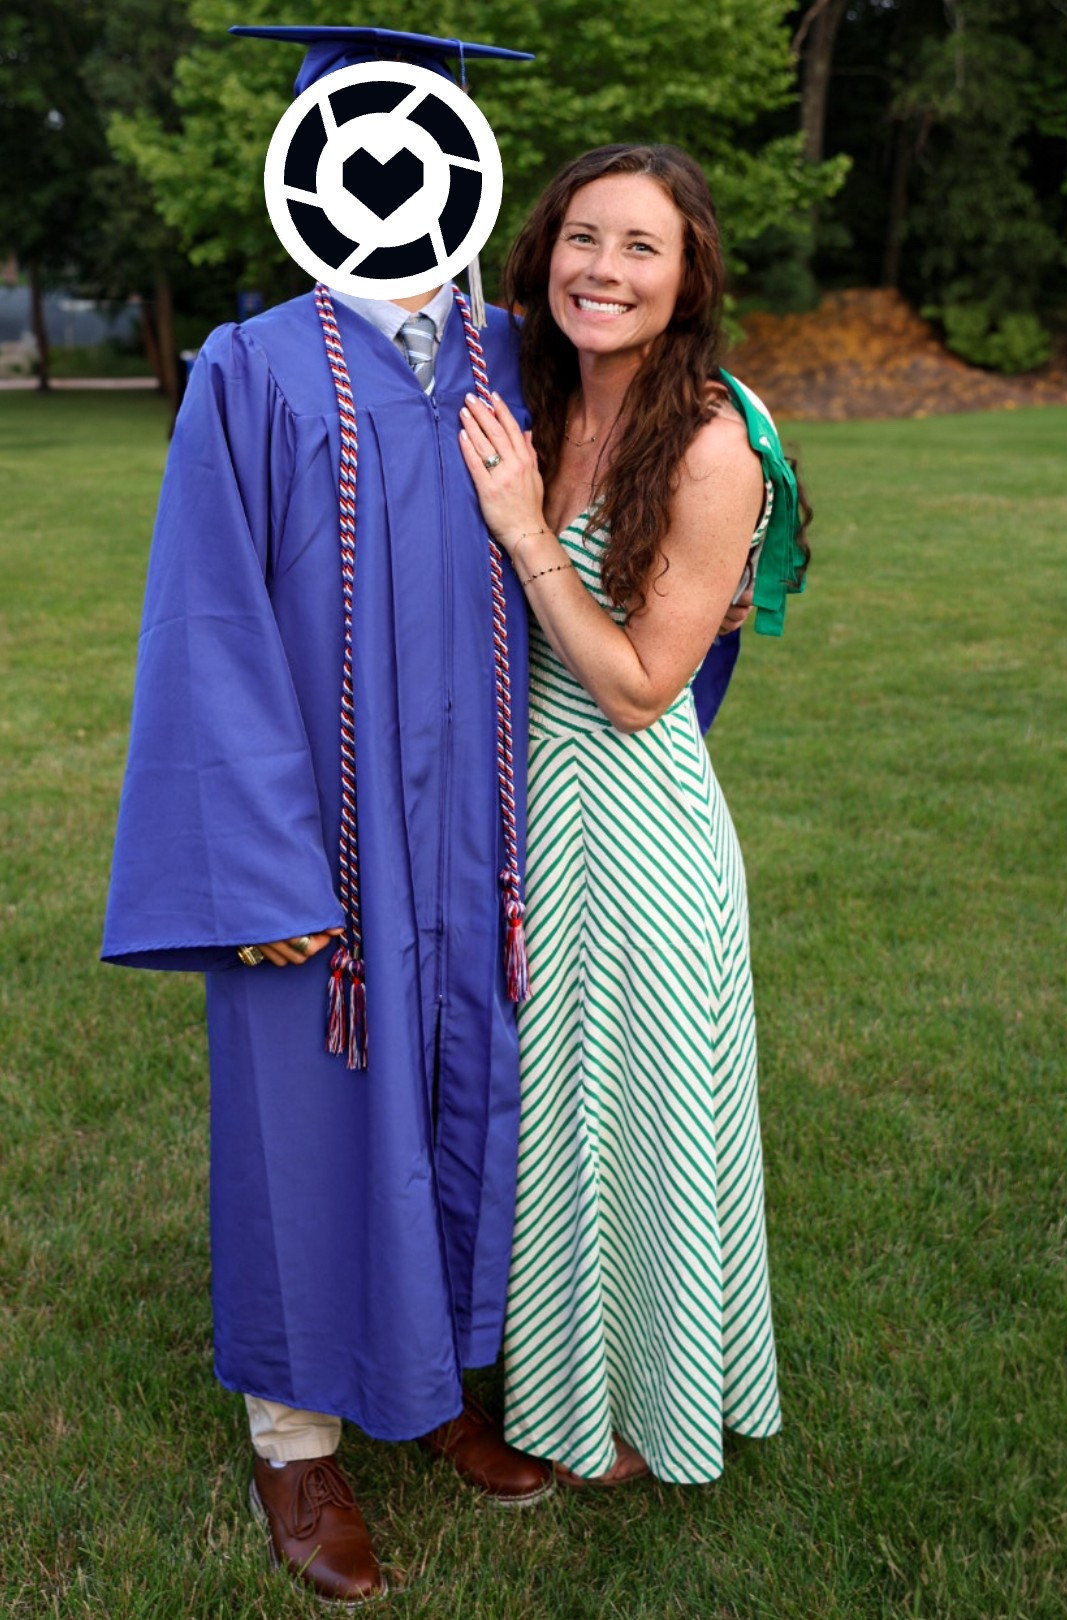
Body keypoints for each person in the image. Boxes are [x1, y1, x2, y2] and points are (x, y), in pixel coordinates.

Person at [102, 26, 554, 1606]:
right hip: (329, 843)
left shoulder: (511, 356)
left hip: (479, 838)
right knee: (310, 1116)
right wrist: (261, 868)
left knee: (470, 1091)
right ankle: (295, 1445)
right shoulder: (256, 367)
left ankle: (435, 1390)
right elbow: (209, 628)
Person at [458, 143, 809, 1487]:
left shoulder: (713, 442)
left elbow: (640, 687)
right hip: (526, 813)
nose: (604, 269)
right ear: (543, 254)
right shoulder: (534, 395)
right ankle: (554, 1384)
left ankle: (647, 1408)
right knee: (551, 1116)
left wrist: (523, 528)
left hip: (639, 830)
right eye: (582, 239)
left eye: (640, 247)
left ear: (689, 274)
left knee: (637, 1119)